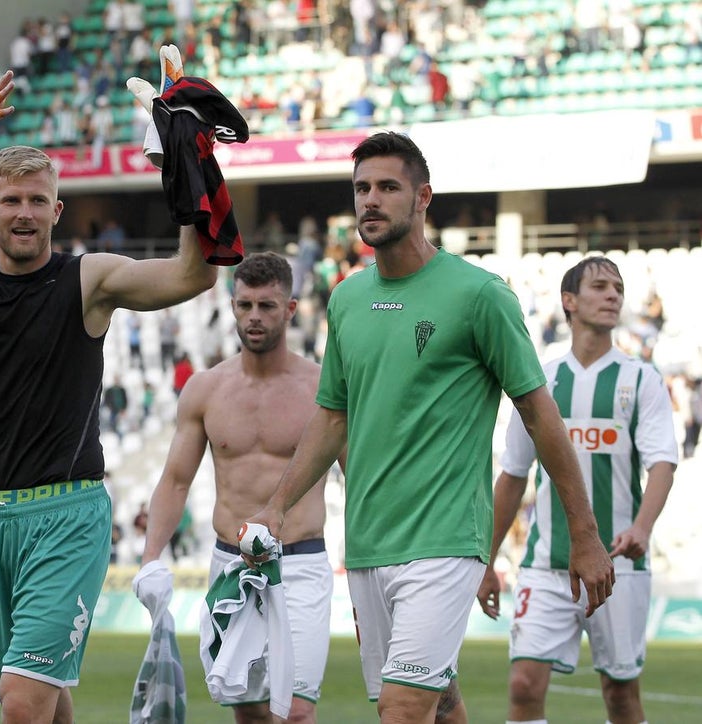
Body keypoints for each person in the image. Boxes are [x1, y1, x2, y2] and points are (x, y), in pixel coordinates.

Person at [243, 132, 615, 724]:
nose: (370, 199)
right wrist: (277, 506)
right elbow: (332, 416)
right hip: (368, 541)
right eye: (362, 188)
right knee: (441, 705)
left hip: (446, 539)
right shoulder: (346, 299)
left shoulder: (480, 295)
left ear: (423, 198)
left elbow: (539, 414)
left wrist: (585, 533)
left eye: (388, 187)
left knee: (402, 710)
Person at [0, 69, 216, 723]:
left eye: (38, 200)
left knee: (21, 704)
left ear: (57, 211)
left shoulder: (87, 279)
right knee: (46, 703)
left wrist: (186, 166)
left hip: (68, 517)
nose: (25, 213)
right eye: (11, 200)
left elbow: (193, 275)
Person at [477, 256, 678, 724]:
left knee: (620, 695)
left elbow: (662, 464)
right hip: (545, 565)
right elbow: (513, 475)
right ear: (568, 300)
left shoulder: (640, 378)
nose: (613, 295)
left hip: (618, 564)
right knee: (523, 686)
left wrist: (642, 528)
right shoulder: (540, 381)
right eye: (600, 286)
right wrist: (486, 559)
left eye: (618, 288)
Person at [134, 252, 332, 723]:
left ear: (290, 309)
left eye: (267, 306)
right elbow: (176, 481)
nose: (254, 316)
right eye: (245, 305)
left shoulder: (322, 388)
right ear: (232, 306)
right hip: (230, 563)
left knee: (296, 712)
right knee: (249, 711)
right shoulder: (206, 389)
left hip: (300, 562)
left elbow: (359, 478)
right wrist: (150, 558)